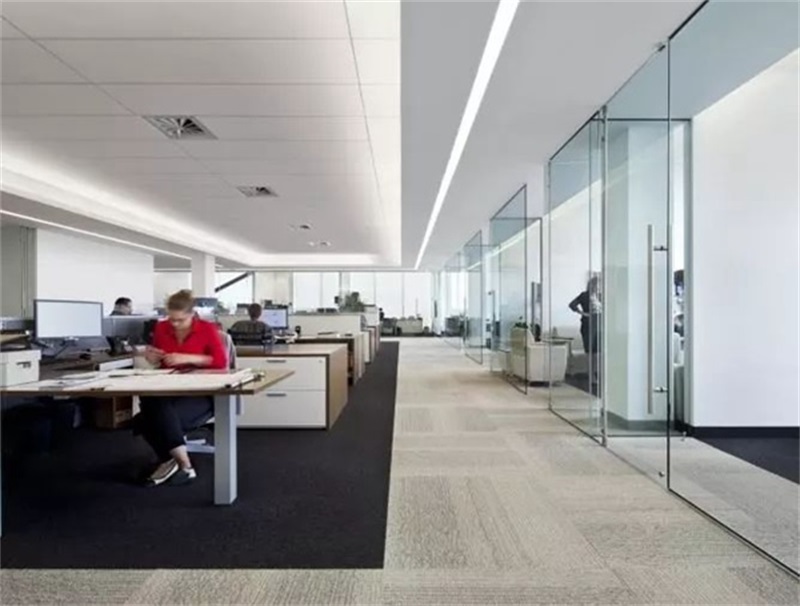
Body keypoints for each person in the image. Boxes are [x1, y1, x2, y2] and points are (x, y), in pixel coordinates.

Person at [135, 289, 227, 487]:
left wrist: (188, 358)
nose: (175, 324)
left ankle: (172, 463)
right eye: (171, 319)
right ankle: (183, 465)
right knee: (150, 399)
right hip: (170, 388)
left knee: (145, 420)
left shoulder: (206, 329)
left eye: (180, 320)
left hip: (200, 394)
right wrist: (152, 356)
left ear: (192, 314)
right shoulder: (162, 327)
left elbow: (220, 362)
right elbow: (160, 360)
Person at [569, 276, 602, 384]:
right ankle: (591, 375)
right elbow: (572, 304)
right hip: (588, 325)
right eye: (597, 284)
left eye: (599, 285)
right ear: (592, 285)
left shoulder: (600, 296)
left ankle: (595, 373)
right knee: (590, 351)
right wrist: (583, 313)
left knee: (596, 352)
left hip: (598, 325)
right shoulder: (584, 295)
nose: (598, 287)